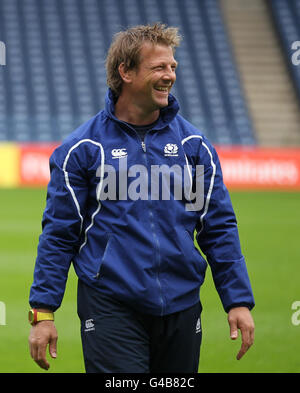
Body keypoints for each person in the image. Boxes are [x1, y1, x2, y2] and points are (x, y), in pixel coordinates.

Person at [28, 23, 255, 373]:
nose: (170, 75)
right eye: (159, 67)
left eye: (173, 67)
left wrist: (237, 300)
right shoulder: (82, 149)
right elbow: (59, 234)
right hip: (110, 304)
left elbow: (217, 227)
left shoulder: (193, 147)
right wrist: (43, 313)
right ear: (126, 72)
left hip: (182, 304)